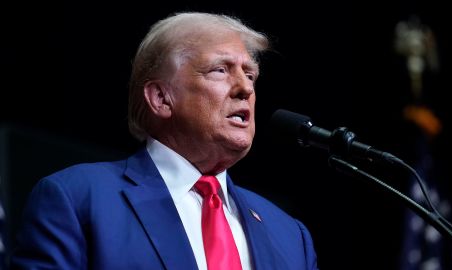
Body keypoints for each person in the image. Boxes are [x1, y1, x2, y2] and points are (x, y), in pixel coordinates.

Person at [9, 12, 319, 270]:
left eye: (250, 75)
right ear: (161, 98)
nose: (245, 89)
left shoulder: (290, 235)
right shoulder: (78, 198)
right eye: (220, 70)